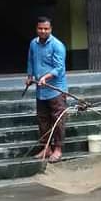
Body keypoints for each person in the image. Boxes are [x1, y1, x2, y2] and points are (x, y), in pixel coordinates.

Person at [26, 16, 68, 163]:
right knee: (43, 119)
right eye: (40, 28)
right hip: (40, 90)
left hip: (55, 89)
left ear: (51, 29)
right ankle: (46, 147)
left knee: (58, 119)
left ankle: (58, 149)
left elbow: (59, 68)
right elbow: (30, 60)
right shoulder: (33, 44)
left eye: (46, 28)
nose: (43, 31)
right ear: (36, 28)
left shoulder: (57, 45)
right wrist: (30, 75)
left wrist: (46, 77)